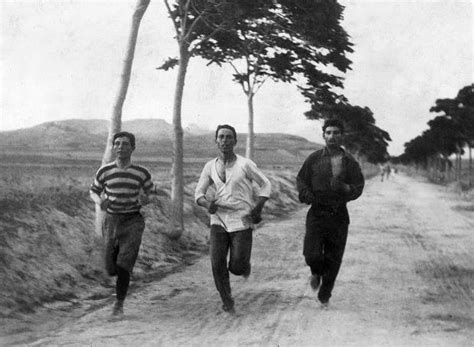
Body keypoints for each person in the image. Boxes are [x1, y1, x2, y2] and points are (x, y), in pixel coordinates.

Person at [195, 124, 271, 313]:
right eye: (221, 137)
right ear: (216, 141)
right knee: (216, 262)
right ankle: (227, 299)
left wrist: (258, 206)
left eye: (229, 137)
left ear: (235, 141)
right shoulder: (209, 166)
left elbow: (265, 184)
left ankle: (243, 267)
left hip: (242, 217)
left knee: (237, 266)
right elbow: (199, 193)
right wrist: (207, 204)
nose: (224, 140)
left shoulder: (245, 164)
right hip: (219, 219)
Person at [296, 119, 364, 308]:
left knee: (334, 258)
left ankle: (325, 295)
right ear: (323, 135)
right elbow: (301, 179)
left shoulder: (350, 162)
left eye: (336, 133)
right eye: (329, 132)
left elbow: (359, 186)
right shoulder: (314, 158)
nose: (332, 136)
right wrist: (306, 194)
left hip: (338, 215)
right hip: (317, 212)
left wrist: (345, 187)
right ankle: (316, 272)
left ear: (342, 136)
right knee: (312, 253)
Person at [90, 131, 159, 316]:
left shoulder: (141, 172)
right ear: (113, 147)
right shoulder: (105, 171)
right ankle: (116, 273)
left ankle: (118, 304)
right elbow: (93, 191)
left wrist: (147, 199)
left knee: (124, 264)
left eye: (125, 144)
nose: (121, 147)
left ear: (133, 148)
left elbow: (152, 192)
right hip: (112, 220)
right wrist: (99, 201)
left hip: (132, 221)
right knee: (110, 267)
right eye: (117, 143)